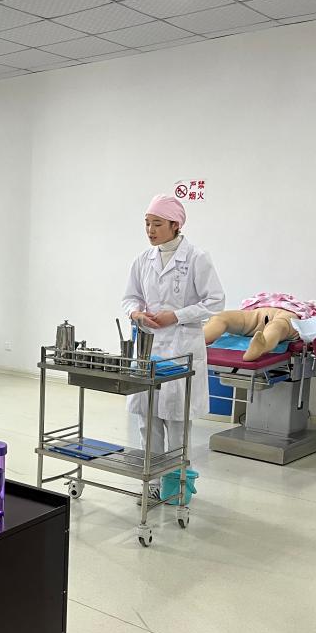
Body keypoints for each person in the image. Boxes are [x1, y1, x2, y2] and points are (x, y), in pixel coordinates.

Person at [122, 194, 225, 498]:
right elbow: (129, 297)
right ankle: (153, 484)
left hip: (182, 346)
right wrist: (136, 313)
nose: (150, 230)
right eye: (147, 223)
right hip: (150, 346)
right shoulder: (143, 260)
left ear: (175, 225)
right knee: (148, 418)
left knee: (177, 422)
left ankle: (176, 486)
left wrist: (176, 316)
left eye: (157, 224)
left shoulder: (196, 258)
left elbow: (215, 302)